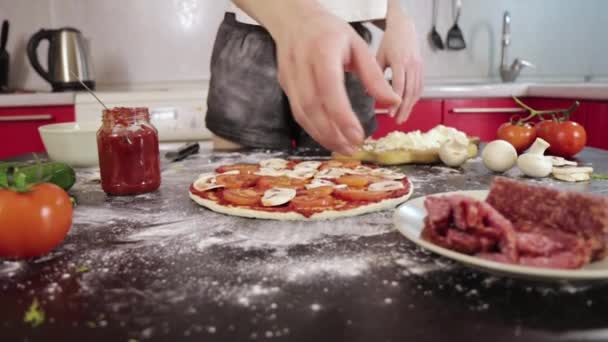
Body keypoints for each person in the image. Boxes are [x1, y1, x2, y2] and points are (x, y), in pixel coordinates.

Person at [205, 0, 423, 156]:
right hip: (252, 37)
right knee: (241, 184)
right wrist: (299, 17)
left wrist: (398, 18)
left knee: (347, 181)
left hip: (344, 44)